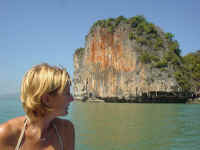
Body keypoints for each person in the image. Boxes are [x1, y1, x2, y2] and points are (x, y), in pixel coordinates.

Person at [0, 63, 75, 150]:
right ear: (47, 100)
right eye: (67, 93)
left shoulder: (66, 130)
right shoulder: (6, 134)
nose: (72, 99)